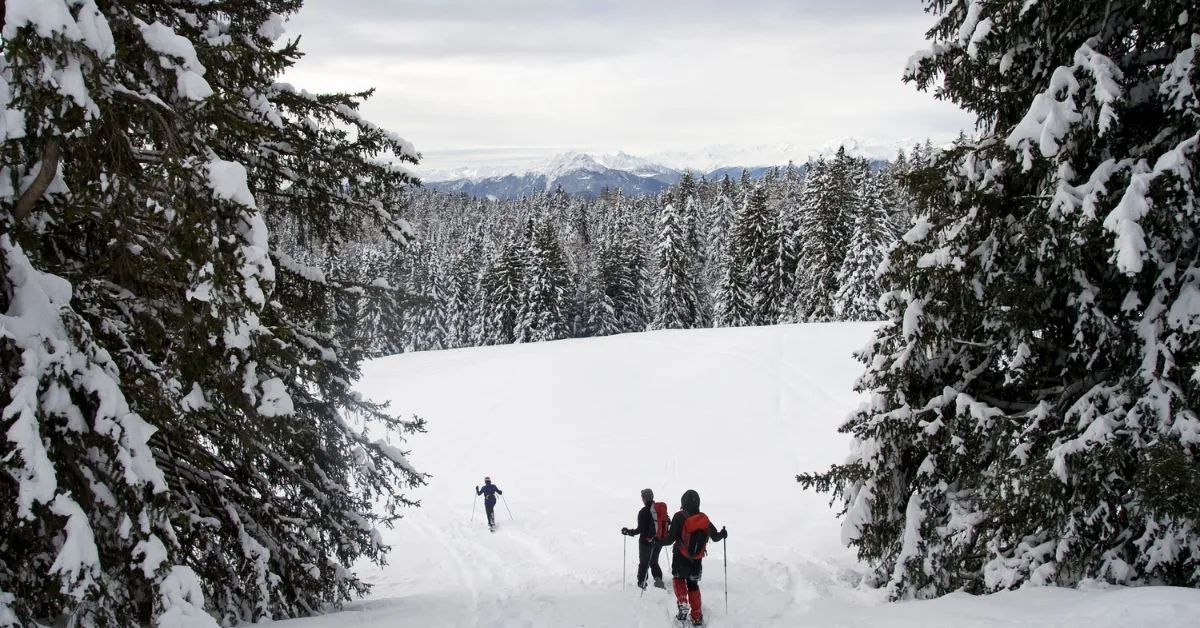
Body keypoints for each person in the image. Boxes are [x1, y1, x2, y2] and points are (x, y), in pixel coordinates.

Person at [666, 489, 727, 626]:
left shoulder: (679, 516)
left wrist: (658, 541)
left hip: (680, 557)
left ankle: (682, 603)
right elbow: (716, 537)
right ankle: (697, 616)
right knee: (693, 585)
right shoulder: (703, 518)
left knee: (679, 579)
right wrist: (723, 533)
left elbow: (669, 539)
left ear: (683, 502)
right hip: (697, 561)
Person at [620, 488, 666, 590]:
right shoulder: (659, 509)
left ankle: (642, 582)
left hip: (646, 542)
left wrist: (628, 532)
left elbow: (640, 529)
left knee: (644, 562)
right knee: (654, 561)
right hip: (659, 541)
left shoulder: (643, 512)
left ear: (644, 498)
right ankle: (658, 578)